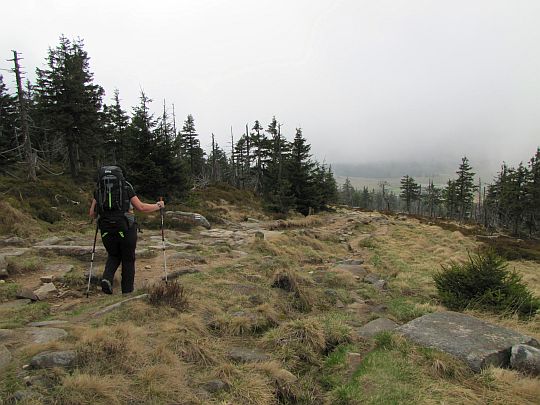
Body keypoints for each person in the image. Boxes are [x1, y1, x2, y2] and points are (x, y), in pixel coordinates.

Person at [89, 167, 164, 294]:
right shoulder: (126, 186)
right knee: (128, 259)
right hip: (126, 228)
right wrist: (158, 205)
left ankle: (107, 279)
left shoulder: (99, 188)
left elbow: (92, 213)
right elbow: (141, 207)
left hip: (106, 229)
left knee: (113, 255)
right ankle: (127, 292)